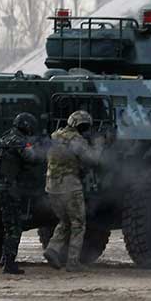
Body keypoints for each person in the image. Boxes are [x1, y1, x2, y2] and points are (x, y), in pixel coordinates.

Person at [43, 110, 103, 273]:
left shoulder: (55, 136)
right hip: (69, 186)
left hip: (51, 185)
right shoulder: (76, 140)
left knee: (65, 221)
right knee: (78, 223)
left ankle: (53, 249)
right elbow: (94, 160)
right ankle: (73, 262)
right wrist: (99, 143)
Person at [0, 112, 38, 275]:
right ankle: (9, 264)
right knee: (14, 226)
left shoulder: (5, 138)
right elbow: (32, 159)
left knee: (7, 222)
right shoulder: (18, 141)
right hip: (5, 187)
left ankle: (5, 258)